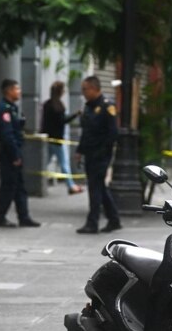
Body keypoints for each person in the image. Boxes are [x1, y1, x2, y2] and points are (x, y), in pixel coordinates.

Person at [75, 76, 122, 234]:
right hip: (90, 153)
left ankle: (92, 222)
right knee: (99, 187)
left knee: (95, 188)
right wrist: (80, 151)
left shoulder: (107, 106)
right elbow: (86, 132)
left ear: (95, 88)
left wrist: (103, 152)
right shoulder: (89, 107)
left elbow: (113, 133)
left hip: (101, 155)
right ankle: (114, 219)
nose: (83, 93)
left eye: (85, 89)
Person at [0, 79, 41, 228]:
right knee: (8, 187)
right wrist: (15, 156)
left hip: (15, 151)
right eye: (16, 89)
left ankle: (24, 217)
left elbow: (15, 129)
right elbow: (7, 135)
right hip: (9, 154)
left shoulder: (12, 108)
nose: (19, 92)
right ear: (9, 91)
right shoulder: (3, 109)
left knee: (19, 186)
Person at [40, 81, 83, 195]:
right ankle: (71, 185)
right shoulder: (59, 106)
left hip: (48, 138)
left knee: (45, 161)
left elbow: (44, 122)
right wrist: (75, 115)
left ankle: (35, 181)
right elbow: (63, 121)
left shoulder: (46, 105)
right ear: (60, 92)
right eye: (63, 90)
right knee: (64, 163)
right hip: (58, 139)